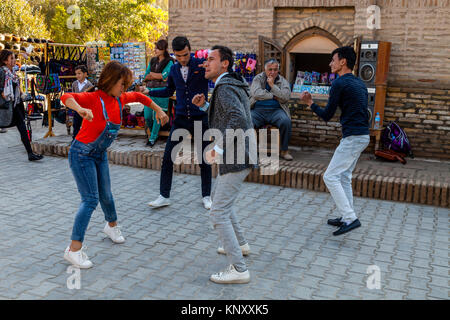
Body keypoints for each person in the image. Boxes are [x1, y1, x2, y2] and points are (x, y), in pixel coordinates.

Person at [61, 61, 168, 268]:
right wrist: (80, 109)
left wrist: (159, 111)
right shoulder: (93, 98)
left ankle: (111, 227)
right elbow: (66, 97)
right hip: (81, 154)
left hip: (98, 154)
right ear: (110, 81)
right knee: (90, 200)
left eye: (126, 85)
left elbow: (140, 97)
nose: (125, 89)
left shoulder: (119, 99)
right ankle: (73, 249)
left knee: (107, 195)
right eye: (122, 84)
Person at [192, 46, 257, 284]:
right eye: (206, 60)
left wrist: (218, 148)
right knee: (223, 205)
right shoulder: (229, 84)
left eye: (211, 59)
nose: (205, 63)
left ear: (225, 64)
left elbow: (237, 118)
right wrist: (204, 107)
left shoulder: (225, 86)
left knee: (218, 212)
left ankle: (239, 269)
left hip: (236, 154)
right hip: (240, 152)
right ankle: (241, 244)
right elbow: (229, 115)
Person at [300, 46, 370, 236]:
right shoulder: (359, 83)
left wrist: (310, 103)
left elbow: (327, 115)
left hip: (353, 137)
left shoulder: (339, 83)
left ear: (343, 62)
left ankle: (350, 218)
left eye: (333, 60)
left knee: (330, 176)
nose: (330, 63)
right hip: (362, 135)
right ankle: (346, 215)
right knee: (344, 176)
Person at [144, 36, 212, 210]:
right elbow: (169, 90)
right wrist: (149, 92)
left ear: (190, 49)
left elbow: (215, 78)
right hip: (180, 118)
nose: (183, 59)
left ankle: (206, 196)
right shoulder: (173, 69)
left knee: (204, 158)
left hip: (199, 118)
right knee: (168, 158)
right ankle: (164, 196)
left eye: (185, 54)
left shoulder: (201, 64)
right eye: (179, 56)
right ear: (173, 54)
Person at [0, 49, 43, 160]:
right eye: (12, 58)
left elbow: (16, 86)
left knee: (22, 128)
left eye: (14, 57)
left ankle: (30, 154)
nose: (14, 60)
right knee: (16, 126)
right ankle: (30, 153)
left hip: (16, 105)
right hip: (6, 105)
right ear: (5, 61)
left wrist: (22, 93)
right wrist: (3, 95)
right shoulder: (2, 72)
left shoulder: (13, 72)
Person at [249, 59, 293, 161]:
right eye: (270, 70)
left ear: (278, 70)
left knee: (286, 122)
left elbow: (285, 97)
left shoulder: (283, 81)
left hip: (276, 111)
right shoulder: (258, 79)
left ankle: (284, 150)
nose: (272, 72)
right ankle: (249, 150)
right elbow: (256, 93)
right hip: (257, 110)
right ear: (265, 70)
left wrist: (273, 85)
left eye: (275, 70)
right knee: (247, 121)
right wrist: (274, 96)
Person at [143, 39, 174, 147]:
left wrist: (154, 75)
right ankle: (153, 133)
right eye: (155, 47)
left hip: (161, 92)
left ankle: (152, 138)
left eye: (157, 48)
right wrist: (155, 75)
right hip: (149, 91)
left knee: (157, 115)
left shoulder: (169, 62)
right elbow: (146, 76)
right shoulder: (152, 61)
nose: (155, 50)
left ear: (164, 49)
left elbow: (164, 77)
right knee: (147, 116)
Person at [71, 65, 93, 140]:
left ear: (85, 74)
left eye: (79, 73)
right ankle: (75, 140)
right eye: (76, 74)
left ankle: (86, 140)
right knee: (76, 125)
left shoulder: (89, 85)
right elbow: (73, 95)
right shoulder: (74, 84)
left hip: (86, 109)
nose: (77, 75)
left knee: (86, 125)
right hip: (77, 108)